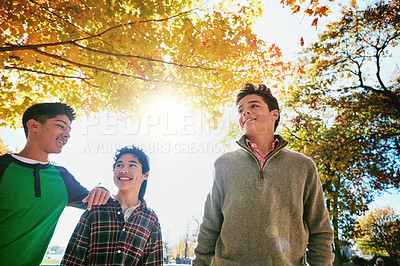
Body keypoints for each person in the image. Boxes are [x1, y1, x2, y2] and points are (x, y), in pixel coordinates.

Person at [193, 83, 334, 265]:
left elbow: (320, 230)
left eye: (254, 106)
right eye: (241, 110)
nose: (245, 112)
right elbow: (210, 226)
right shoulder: (223, 164)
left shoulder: (303, 166)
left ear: (274, 114)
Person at [0, 102, 110, 266]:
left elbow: (101, 202)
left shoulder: (62, 177)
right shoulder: (2, 167)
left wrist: (102, 186)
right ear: (34, 126)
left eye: (69, 130)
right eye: (61, 126)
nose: (67, 135)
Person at [61, 145, 163, 265]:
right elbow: (72, 259)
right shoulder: (96, 208)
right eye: (119, 165)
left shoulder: (150, 220)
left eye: (132, 165)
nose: (123, 170)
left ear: (145, 174)